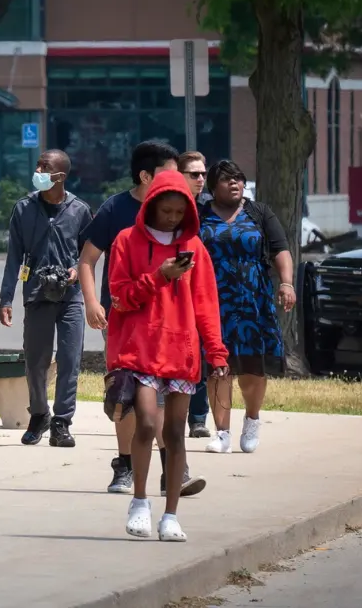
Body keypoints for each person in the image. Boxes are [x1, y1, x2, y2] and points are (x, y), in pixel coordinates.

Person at [106, 170, 229, 542]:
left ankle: (171, 515)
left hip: (182, 352)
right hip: (139, 349)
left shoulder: (195, 245)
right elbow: (120, 297)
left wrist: (217, 353)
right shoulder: (126, 241)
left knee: (176, 433)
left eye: (180, 212)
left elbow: (206, 303)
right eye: (167, 210)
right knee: (145, 423)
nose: (173, 218)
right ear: (151, 205)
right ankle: (140, 502)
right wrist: (159, 275)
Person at [78, 141, 204, 498]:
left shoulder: (180, 212)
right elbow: (87, 260)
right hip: (125, 318)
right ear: (146, 176)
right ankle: (124, 466)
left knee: (162, 400)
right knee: (127, 395)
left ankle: (172, 469)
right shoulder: (115, 209)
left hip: (172, 327)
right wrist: (91, 302)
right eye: (169, 175)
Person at [197, 160, 294, 455]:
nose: (235, 183)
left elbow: (280, 249)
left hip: (253, 299)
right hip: (213, 300)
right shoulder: (200, 215)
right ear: (213, 187)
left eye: (238, 178)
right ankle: (222, 432)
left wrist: (287, 283)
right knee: (218, 366)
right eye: (227, 180)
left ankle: (252, 420)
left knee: (253, 368)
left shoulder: (259, 212)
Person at [0, 149, 92, 447]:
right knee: (36, 361)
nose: (38, 169)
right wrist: (6, 298)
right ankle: (39, 414)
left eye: (44, 166)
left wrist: (76, 269)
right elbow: (14, 255)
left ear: (60, 176)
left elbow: (89, 253)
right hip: (37, 294)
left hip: (71, 297)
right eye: (38, 164)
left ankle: (62, 422)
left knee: (69, 359)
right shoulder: (23, 208)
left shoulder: (79, 210)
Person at [177, 151, 212, 438]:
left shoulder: (210, 209)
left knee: (201, 354)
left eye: (203, 174)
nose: (201, 179)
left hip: (203, 288)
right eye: (194, 174)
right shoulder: (168, 209)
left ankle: (198, 418)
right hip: (174, 290)